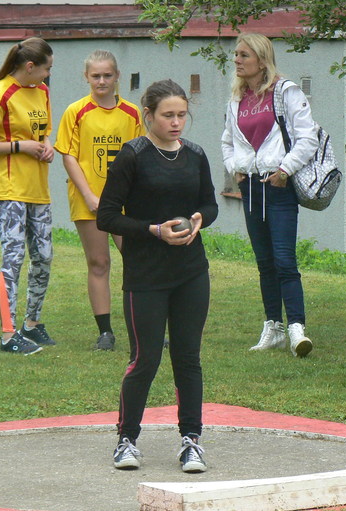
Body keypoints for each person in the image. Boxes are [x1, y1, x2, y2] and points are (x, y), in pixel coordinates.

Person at [97, 79, 218, 472]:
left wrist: (199, 219)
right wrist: (153, 230)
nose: (176, 122)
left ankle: (191, 441)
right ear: (148, 114)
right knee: (144, 359)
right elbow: (106, 217)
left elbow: (210, 205)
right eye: (168, 115)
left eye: (182, 115)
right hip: (145, 275)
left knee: (188, 357)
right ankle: (126, 440)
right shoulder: (131, 156)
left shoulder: (195, 155)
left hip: (191, 272)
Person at [221, 33, 318, 358]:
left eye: (244, 55)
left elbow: (308, 138)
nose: (237, 60)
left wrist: (285, 170)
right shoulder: (236, 98)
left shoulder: (285, 91)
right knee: (264, 261)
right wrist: (234, 168)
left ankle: (296, 328)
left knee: (284, 259)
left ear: (262, 61)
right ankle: (273, 327)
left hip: (279, 186)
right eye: (236, 55)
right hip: (250, 187)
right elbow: (227, 141)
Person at [0, 37, 57, 355]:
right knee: (14, 258)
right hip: (8, 189)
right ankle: (8, 337)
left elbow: (43, 132)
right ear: (30, 66)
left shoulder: (42, 91)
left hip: (38, 188)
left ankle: (31, 325)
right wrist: (21, 146)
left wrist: (47, 145)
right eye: (46, 68)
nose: (48, 74)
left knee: (44, 256)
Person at [55, 50, 144, 351]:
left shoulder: (132, 113)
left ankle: (145, 327)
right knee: (98, 262)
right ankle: (105, 332)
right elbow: (69, 156)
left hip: (126, 202)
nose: (102, 81)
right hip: (89, 200)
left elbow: (141, 155)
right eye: (96, 76)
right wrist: (90, 196)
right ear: (86, 77)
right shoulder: (76, 111)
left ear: (117, 76)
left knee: (136, 260)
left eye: (107, 75)